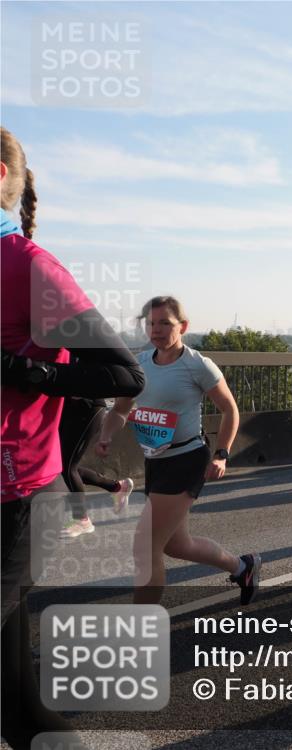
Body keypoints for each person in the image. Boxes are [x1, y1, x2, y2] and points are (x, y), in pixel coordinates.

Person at [1, 126, 146, 749]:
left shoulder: (28, 267)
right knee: (19, 717)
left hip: (18, 502)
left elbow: (122, 372)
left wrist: (18, 369)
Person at [97, 296, 261, 605]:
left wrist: (221, 454)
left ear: (182, 326)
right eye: (151, 323)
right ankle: (243, 567)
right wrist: (107, 434)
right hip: (155, 461)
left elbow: (229, 410)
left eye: (165, 323)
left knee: (145, 547)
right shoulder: (140, 363)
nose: (156, 330)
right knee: (178, 545)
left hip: (186, 459)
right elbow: (120, 410)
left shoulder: (197, 365)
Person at [58, 396, 135, 538]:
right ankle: (117, 487)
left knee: (67, 468)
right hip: (66, 408)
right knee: (63, 466)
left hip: (85, 407)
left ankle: (82, 520)